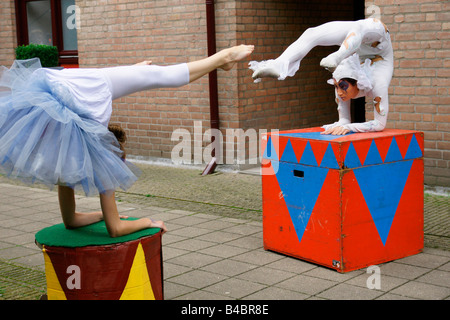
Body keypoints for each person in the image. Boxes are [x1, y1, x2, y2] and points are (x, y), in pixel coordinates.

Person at [0, 44, 254, 237]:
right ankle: (214, 63)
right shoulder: (63, 151)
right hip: (54, 85)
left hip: (71, 91)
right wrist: (101, 214)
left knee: (158, 75)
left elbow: (115, 228)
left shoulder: (85, 146)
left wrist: (148, 222)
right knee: (147, 75)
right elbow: (72, 220)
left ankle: (223, 57)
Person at [249, 18, 393, 134]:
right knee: (311, 33)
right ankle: (279, 64)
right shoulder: (345, 80)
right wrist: (343, 124)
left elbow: (379, 124)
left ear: (358, 83)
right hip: (360, 43)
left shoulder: (378, 82)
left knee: (359, 28)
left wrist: (349, 127)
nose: (339, 92)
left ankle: (338, 55)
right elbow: (344, 120)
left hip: (379, 41)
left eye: (342, 87)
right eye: (336, 86)